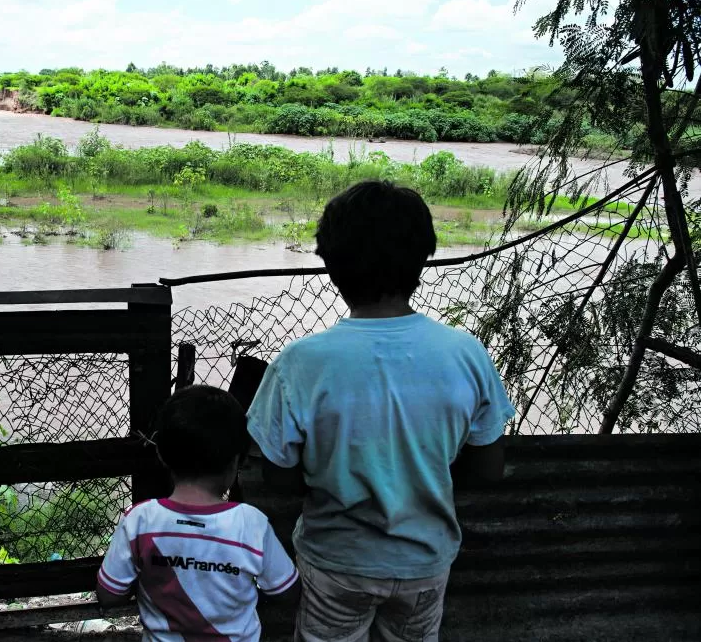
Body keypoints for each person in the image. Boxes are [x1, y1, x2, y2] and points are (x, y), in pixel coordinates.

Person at [247, 180, 514, 642]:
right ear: (422, 259)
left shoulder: (300, 363)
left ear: (331, 267)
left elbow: (278, 477)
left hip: (336, 562)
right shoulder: (465, 353)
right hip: (425, 564)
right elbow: (488, 468)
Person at [96, 385, 300, 641]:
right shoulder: (251, 524)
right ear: (237, 460)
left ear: (160, 453)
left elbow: (109, 595)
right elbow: (287, 591)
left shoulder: (139, 521)